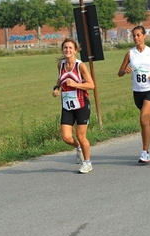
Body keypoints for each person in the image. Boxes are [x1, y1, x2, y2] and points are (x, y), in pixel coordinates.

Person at [118, 25, 150, 163]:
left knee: (143, 119)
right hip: (138, 92)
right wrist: (125, 71)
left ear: (144, 36)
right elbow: (119, 72)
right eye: (134, 35)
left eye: (138, 35)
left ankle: (145, 152)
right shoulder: (130, 54)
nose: (136, 38)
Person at [52, 38, 95, 173]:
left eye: (70, 48)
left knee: (81, 136)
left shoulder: (80, 66)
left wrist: (75, 84)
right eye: (65, 48)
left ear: (75, 50)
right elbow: (60, 78)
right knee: (66, 137)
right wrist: (56, 88)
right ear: (62, 50)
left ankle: (87, 163)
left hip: (82, 104)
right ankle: (78, 148)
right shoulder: (61, 64)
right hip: (67, 105)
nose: (68, 50)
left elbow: (91, 85)